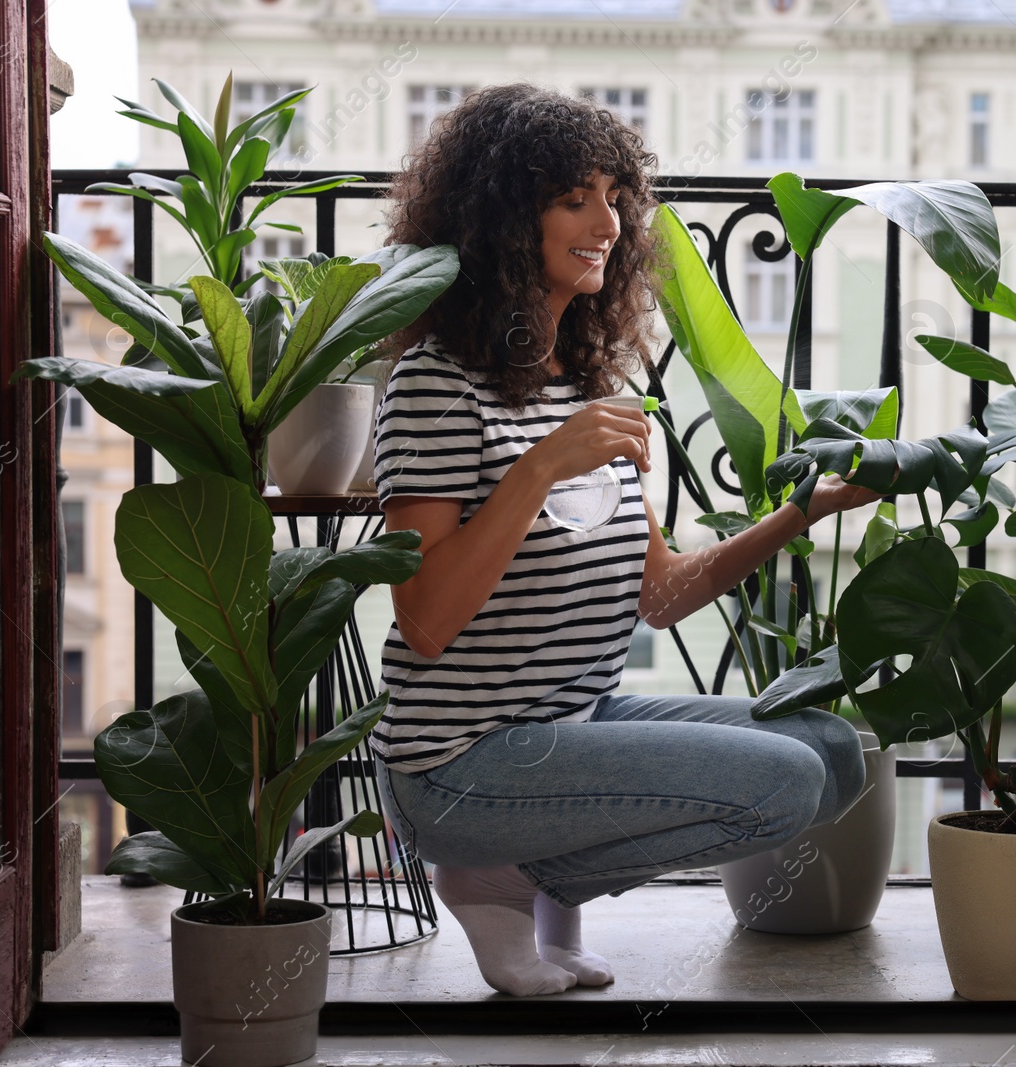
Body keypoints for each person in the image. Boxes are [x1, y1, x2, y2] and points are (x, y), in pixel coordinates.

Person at [369, 83, 878, 998]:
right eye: (574, 199)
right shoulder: (436, 383)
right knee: (785, 785)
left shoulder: (588, 381)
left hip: (574, 720)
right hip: (459, 763)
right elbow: (428, 619)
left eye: (615, 196)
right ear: (498, 221)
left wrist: (807, 510)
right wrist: (538, 470)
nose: (608, 221)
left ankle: (519, 878)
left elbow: (660, 594)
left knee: (835, 751)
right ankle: (492, 877)